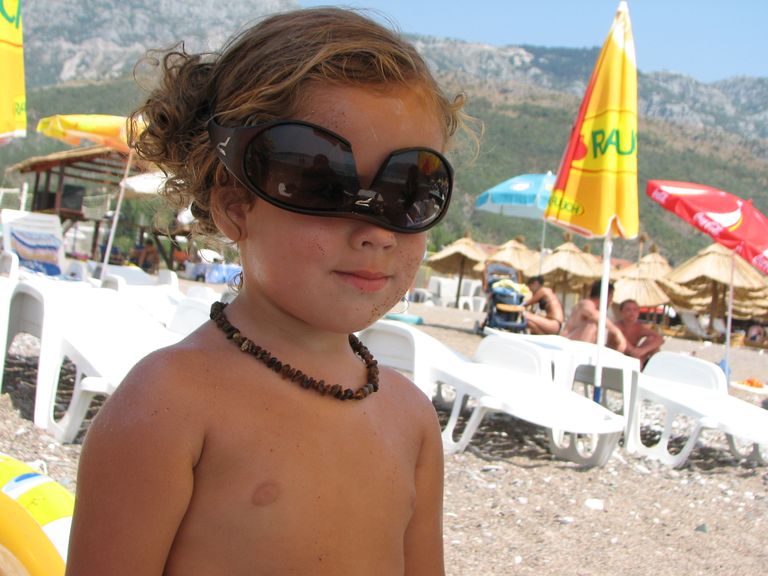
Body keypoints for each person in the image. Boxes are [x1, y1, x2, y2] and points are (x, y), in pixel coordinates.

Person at [66, 8, 467, 575]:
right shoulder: (168, 404)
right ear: (235, 206)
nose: (377, 230)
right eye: (322, 182)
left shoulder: (411, 417)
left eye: (411, 191)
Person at [561, 280, 627, 352]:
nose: (611, 302)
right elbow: (593, 315)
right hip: (567, 345)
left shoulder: (595, 309)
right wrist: (617, 333)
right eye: (611, 297)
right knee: (594, 323)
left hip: (574, 344)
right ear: (607, 296)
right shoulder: (586, 303)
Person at [616, 299, 664, 368]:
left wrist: (643, 350)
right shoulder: (617, 326)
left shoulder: (639, 327)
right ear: (621, 312)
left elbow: (660, 339)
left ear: (638, 312)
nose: (632, 312)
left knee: (652, 341)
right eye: (628, 309)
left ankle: (655, 369)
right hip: (619, 355)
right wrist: (637, 352)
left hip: (635, 354)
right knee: (636, 356)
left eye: (635, 310)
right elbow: (626, 346)